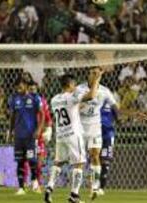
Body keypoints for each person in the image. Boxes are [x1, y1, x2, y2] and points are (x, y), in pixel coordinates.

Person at [44, 72, 102, 203]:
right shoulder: (72, 97)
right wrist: (96, 79)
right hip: (73, 135)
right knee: (79, 163)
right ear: (70, 84)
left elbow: (70, 109)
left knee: (58, 162)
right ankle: (74, 196)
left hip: (60, 135)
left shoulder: (54, 99)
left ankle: (49, 188)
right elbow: (92, 95)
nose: (75, 87)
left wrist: (79, 106)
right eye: (74, 84)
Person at [76, 67, 117, 200]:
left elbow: (115, 106)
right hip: (80, 129)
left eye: (98, 73)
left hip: (95, 129)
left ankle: (95, 187)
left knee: (95, 156)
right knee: (79, 161)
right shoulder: (80, 89)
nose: (95, 75)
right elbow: (77, 103)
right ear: (88, 74)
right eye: (93, 73)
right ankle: (75, 192)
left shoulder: (105, 91)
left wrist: (121, 115)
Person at [7, 77, 45, 195]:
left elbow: (42, 114)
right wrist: (10, 131)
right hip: (19, 136)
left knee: (32, 161)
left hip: (30, 136)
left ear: (26, 86)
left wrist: (39, 129)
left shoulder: (34, 98)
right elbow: (12, 116)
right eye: (17, 86)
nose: (18, 88)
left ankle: (34, 183)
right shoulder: (14, 98)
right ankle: (21, 187)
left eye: (21, 85)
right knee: (20, 161)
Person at [22, 81, 53, 191]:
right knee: (26, 160)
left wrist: (49, 130)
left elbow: (48, 119)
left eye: (34, 90)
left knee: (39, 162)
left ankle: (37, 184)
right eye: (30, 89)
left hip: (38, 135)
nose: (32, 92)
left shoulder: (43, 102)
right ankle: (24, 183)